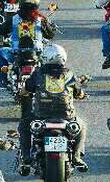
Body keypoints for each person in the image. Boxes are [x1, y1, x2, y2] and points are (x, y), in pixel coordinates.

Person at [18, 44, 88, 174]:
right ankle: (77, 156)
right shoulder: (70, 74)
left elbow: (25, 90)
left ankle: (26, 156)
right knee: (81, 126)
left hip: (41, 115)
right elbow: (79, 93)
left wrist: (23, 93)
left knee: (24, 125)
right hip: (66, 116)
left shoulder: (38, 73)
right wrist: (81, 95)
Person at [0, 0, 55, 88]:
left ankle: (3, 80)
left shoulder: (14, 18)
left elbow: (1, 31)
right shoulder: (41, 19)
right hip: (37, 54)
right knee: (51, 57)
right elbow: (50, 35)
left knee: (2, 52)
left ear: (21, 4)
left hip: (17, 53)